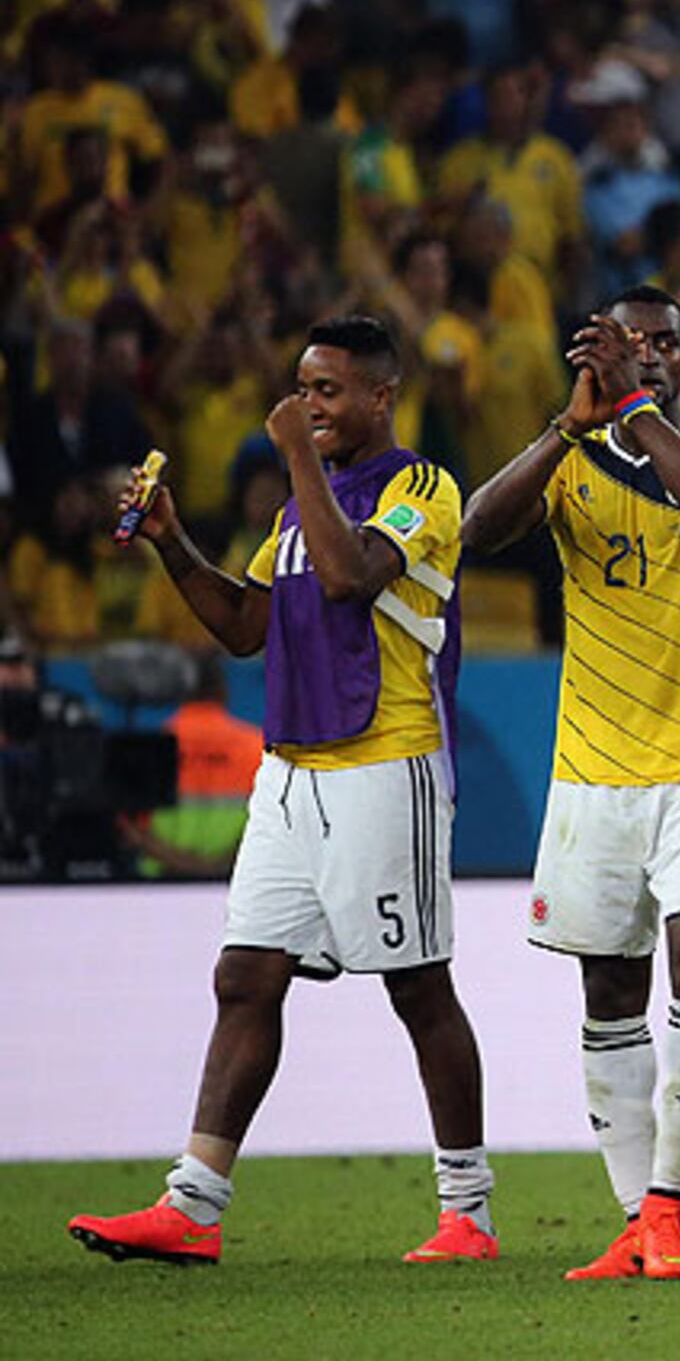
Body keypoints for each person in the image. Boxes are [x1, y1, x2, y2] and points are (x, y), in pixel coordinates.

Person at [69, 316, 495, 1266]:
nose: (310, 406)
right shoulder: (297, 511)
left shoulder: (422, 487)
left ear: (382, 396)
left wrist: (297, 455)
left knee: (418, 988)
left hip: (389, 763)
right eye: (303, 389)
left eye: (329, 391)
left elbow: (349, 579)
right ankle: (194, 1205)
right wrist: (174, 544)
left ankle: (468, 1211)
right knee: (245, 978)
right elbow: (244, 625)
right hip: (292, 771)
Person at [457, 290, 680, 1281]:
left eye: (667, 342)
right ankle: (637, 1217)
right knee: (607, 984)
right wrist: (567, 424)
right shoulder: (574, 460)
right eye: (632, 345)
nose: (654, 357)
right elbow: (475, 530)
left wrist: (638, 408)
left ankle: (669, 1208)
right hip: (593, 771)